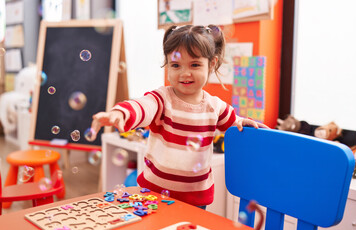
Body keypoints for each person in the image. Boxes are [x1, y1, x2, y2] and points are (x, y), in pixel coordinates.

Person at [90, 24, 269, 209]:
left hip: (195, 201)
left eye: (195, 64)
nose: (185, 73)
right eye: (176, 65)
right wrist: (121, 112)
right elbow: (143, 106)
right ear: (167, 65)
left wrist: (241, 122)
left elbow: (232, 122)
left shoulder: (215, 106)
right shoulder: (162, 99)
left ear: (212, 64)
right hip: (153, 195)